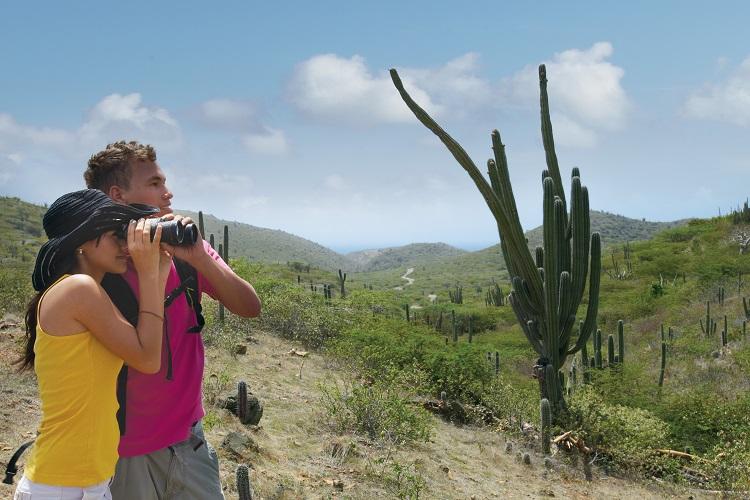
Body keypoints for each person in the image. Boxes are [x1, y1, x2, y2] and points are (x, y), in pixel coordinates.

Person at [84, 141, 261, 499]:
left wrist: (198, 256)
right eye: (154, 183)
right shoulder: (98, 262)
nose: (168, 192)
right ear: (118, 195)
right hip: (122, 449)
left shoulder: (185, 251)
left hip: (188, 441)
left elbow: (248, 306)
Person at [14, 189, 171, 499]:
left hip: (86, 482)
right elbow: (149, 359)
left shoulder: (89, 294)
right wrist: (149, 274)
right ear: (83, 241)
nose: (124, 245)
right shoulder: (79, 290)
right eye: (115, 234)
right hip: (61, 487)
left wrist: (158, 273)